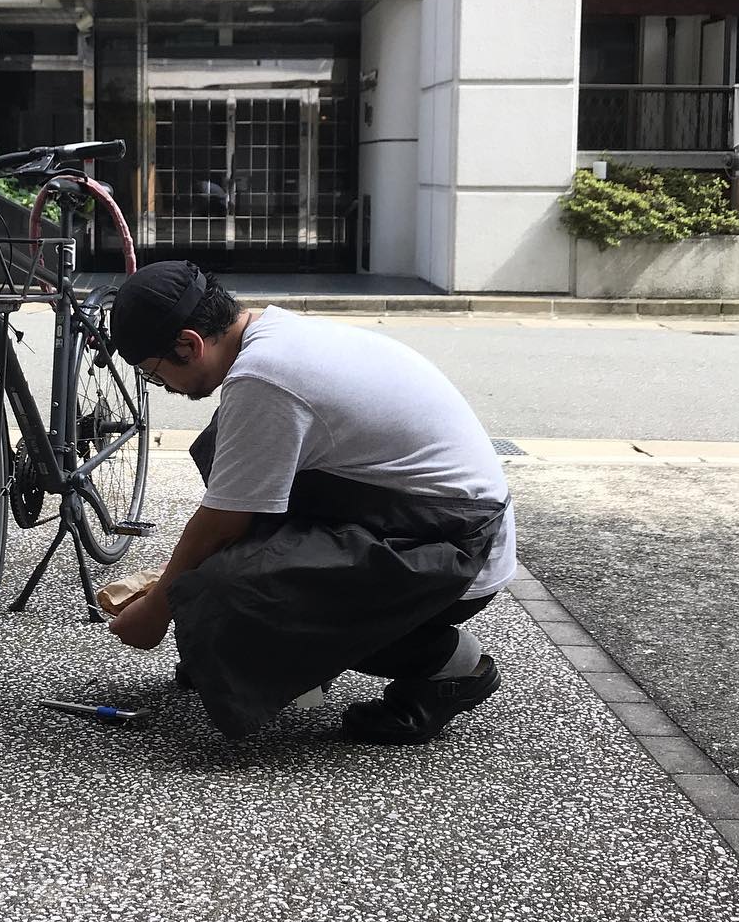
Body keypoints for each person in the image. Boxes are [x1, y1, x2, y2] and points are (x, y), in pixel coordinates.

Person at [106, 261, 517, 744]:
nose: (166, 387)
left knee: (229, 595)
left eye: (156, 374)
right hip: (417, 516)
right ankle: (266, 646)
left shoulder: (263, 377)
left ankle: (451, 665)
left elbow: (221, 524)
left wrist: (160, 610)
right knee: (222, 454)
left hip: (453, 549)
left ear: (190, 344)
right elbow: (237, 505)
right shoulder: (270, 331)